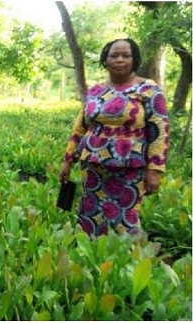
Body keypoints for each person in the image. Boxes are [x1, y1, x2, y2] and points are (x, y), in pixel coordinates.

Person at [59, 38, 169, 237]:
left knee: (126, 215)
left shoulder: (149, 89)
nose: (119, 59)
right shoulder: (96, 90)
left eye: (126, 55)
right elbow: (80, 126)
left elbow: (159, 130)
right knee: (91, 211)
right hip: (93, 166)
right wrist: (68, 161)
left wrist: (155, 170)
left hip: (130, 168)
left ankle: (124, 261)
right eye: (114, 55)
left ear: (134, 60)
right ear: (105, 60)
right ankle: (89, 255)